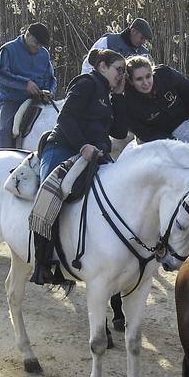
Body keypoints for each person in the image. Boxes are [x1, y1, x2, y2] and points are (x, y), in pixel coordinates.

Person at [29, 47, 127, 286]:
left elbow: (121, 131)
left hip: (94, 153)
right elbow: (65, 118)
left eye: (124, 72)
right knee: (50, 192)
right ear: (102, 66)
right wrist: (83, 145)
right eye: (118, 70)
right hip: (63, 147)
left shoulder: (109, 95)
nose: (121, 75)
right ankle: (42, 263)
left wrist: (122, 96)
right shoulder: (86, 83)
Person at [118, 55, 189, 144]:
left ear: (153, 72)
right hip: (162, 140)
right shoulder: (128, 103)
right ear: (131, 81)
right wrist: (174, 143)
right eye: (139, 79)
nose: (145, 83)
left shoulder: (166, 74)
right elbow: (144, 133)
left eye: (148, 76)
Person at [0, 22, 56, 149]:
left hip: (38, 98)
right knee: (5, 129)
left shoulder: (44, 54)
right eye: (36, 43)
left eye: (41, 44)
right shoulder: (8, 49)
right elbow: (1, 75)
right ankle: (3, 157)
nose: (38, 47)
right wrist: (25, 84)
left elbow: (51, 78)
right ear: (27, 35)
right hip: (11, 99)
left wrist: (50, 91)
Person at [81, 18, 151, 74]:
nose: (143, 42)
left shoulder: (144, 54)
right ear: (133, 31)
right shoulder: (107, 41)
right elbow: (88, 66)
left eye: (145, 40)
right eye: (142, 38)